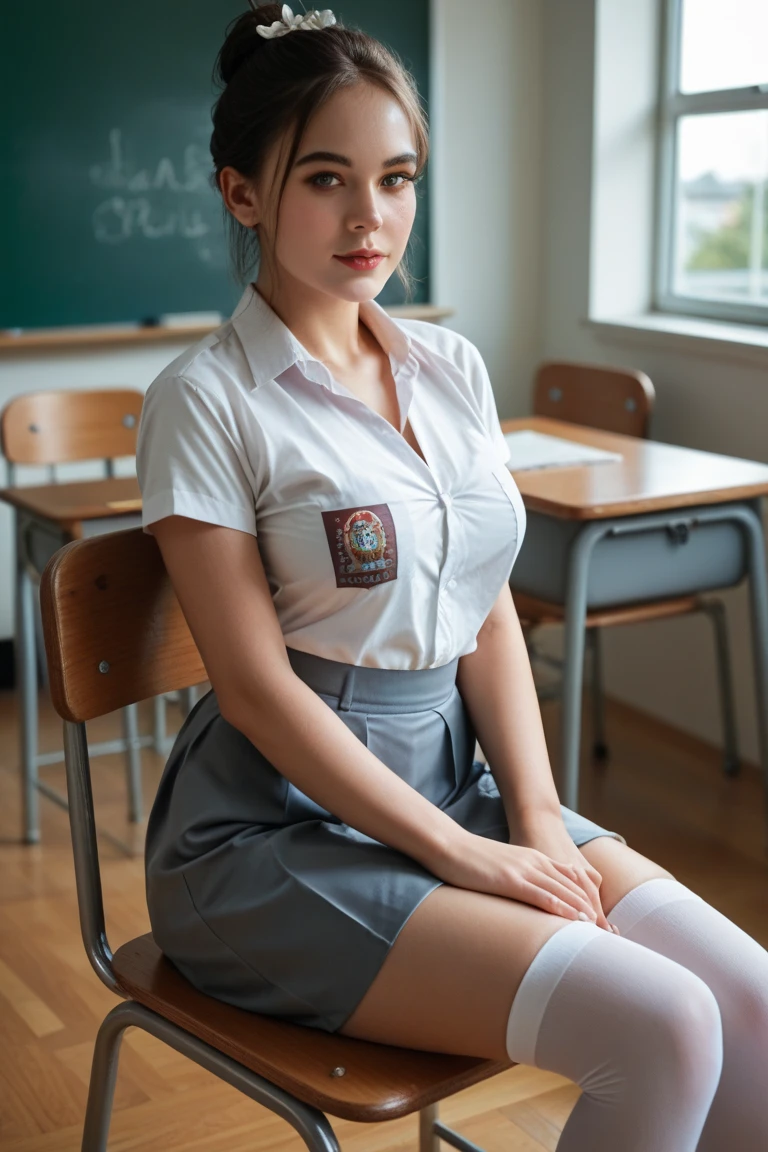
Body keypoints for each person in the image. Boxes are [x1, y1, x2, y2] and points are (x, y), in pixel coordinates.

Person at [135, 5, 768, 1148]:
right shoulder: (206, 397)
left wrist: (529, 815)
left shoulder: (450, 367)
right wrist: (461, 853)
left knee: (756, 1010)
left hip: (457, 786)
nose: (369, 217)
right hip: (270, 836)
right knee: (665, 1027)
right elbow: (256, 692)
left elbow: (482, 617)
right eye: (326, 178)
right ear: (243, 193)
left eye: (396, 177)